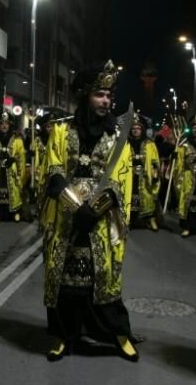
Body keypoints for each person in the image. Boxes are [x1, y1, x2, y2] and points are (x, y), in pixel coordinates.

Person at [41, 60, 139, 363]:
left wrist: (93, 211)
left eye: (109, 95)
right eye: (100, 94)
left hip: (100, 219)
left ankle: (118, 334)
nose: (106, 101)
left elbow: (120, 180)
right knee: (63, 279)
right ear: (85, 96)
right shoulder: (61, 130)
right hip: (66, 218)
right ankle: (62, 335)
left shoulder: (116, 136)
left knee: (104, 277)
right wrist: (74, 206)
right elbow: (53, 170)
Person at [128, 114, 161, 231]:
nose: (136, 130)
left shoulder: (149, 144)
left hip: (145, 175)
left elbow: (154, 160)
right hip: (129, 175)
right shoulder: (126, 143)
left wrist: (155, 173)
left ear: (142, 130)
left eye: (138, 128)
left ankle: (151, 219)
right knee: (129, 197)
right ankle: (129, 220)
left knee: (147, 196)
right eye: (133, 128)